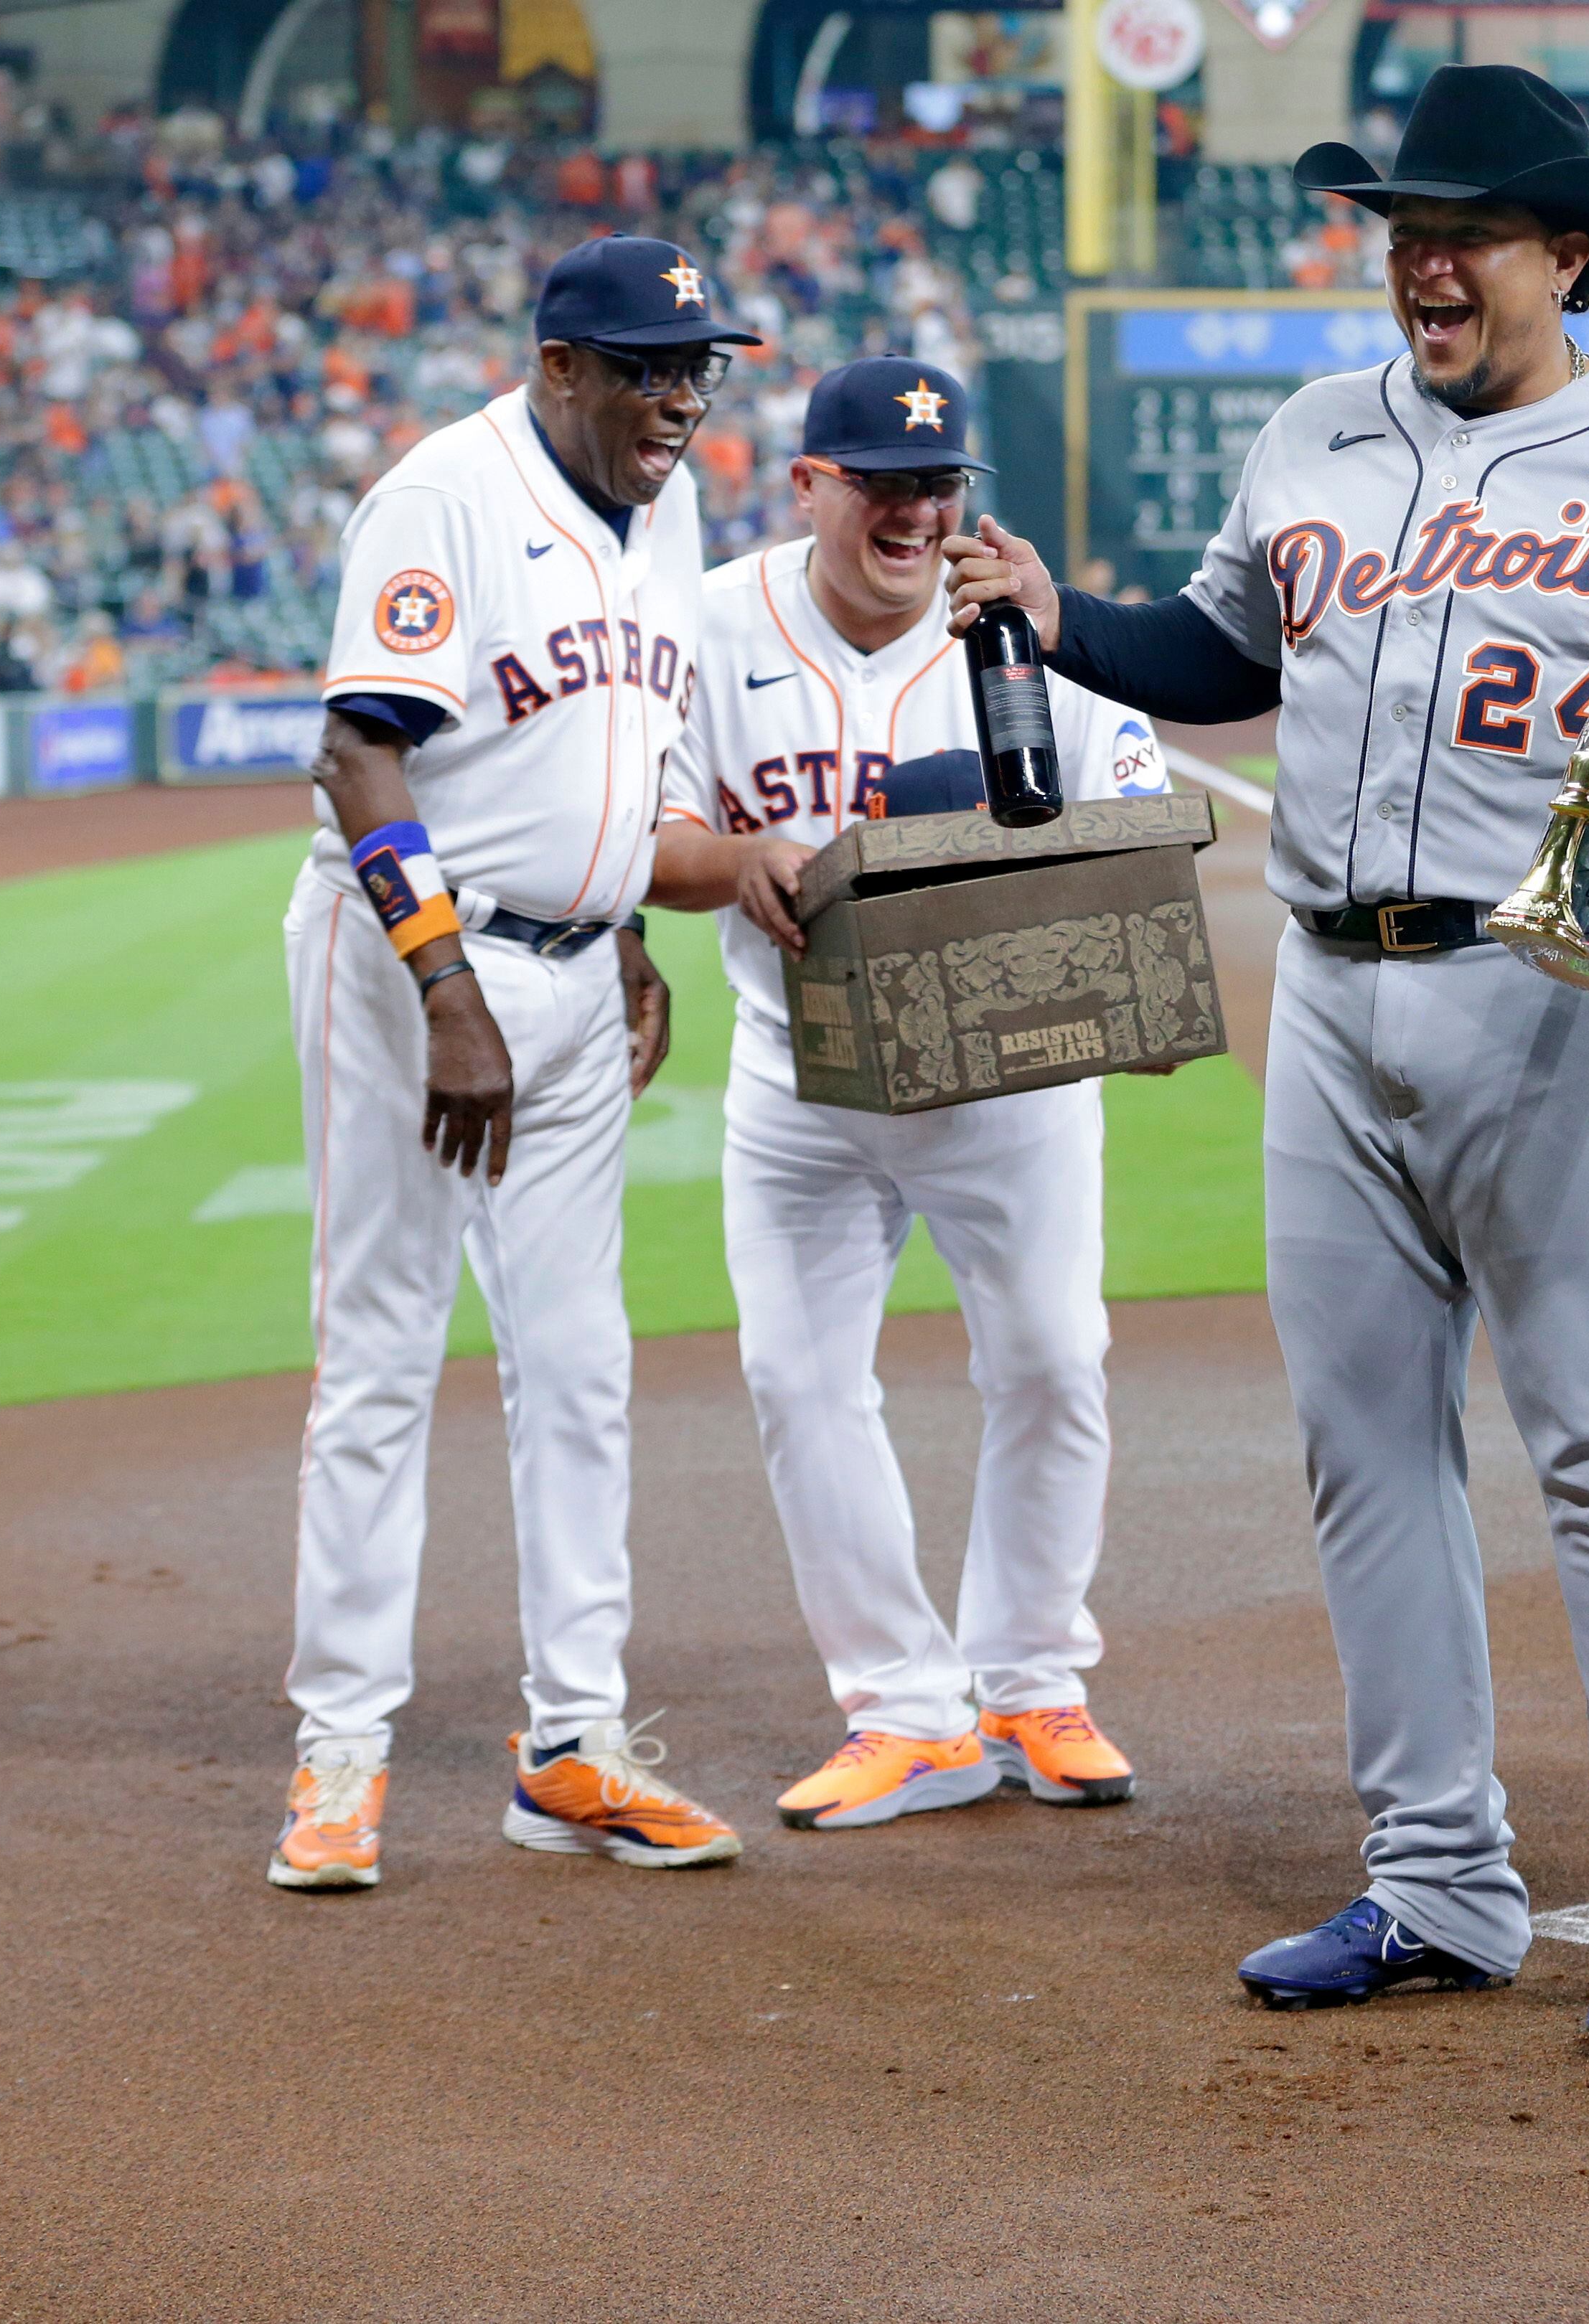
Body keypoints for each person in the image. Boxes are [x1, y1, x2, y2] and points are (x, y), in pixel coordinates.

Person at [951, 64, 1589, 2062]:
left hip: (1560, 1003)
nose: (1419, 260)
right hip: (1331, 995)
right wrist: (1056, 618)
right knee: (1362, 1444)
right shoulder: (1308, 437)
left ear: (1568, 255)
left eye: (1463, 231)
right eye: (1398, 228)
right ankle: (1438, 1874)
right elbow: (1223, 658)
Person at [268, 237, 761, 1893]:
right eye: (647, 367)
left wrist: (625, 926)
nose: (680, 396)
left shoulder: (664, 497)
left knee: (580, 1357)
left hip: (569, 972)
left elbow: (605, 755)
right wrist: (447, 994)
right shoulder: (443, 495)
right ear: (559, 365)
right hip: (416, 961)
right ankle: (338, 1751)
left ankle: (575, 1743)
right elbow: (360, 747)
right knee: (384, 1346)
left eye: (698, 368)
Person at [648, 359, 1166, 1830]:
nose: (917, 509)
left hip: (1008, 1075)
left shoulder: (1022, 627)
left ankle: (1030, 1680)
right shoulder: (709, 624)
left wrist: (1119, 952)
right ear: (809, 482)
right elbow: (651, 824)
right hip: (797, 1071)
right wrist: (729, 862)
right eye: (881, 480)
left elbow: (1135, 816)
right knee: (797, 1380)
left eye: (937, 484)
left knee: (1055, 1360)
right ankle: (902, 1708)